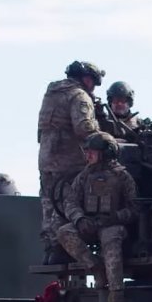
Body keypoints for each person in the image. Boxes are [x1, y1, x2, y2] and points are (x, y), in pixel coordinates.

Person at [57, 133, 137, 302]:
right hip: (88, 225)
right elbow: (70, 202)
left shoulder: (122, 177)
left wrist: (113, 218)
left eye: (92, 152)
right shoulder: (84, 176)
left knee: (111, 239)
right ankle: (95, 267)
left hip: (112, 226)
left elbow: (134, 209)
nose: (88, 156)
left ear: (106, 153)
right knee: (64, 232)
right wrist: (80, 220)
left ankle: (116, 298)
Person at [38, 60, 109, 264]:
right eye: (93, 82)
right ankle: (65, 248)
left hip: (46, 158)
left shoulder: (52, 93)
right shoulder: (79, 96)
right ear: (86, 79)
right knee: (69, 203)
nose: (93, 87)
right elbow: (84, 128)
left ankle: (51, 250)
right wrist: (108, 139)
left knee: (49, 203)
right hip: (69, 159)